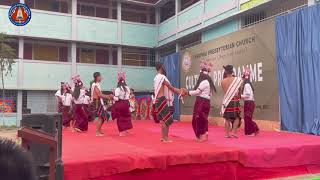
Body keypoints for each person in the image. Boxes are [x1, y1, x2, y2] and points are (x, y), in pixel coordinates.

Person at [182, 60, 216, 142]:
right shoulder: (208, 82)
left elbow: (197, 92)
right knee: (202, 118)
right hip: (205, 101)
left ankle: (202, 136)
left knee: (198, 119)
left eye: (200, 74)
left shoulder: (204, 82)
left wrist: (187, 92)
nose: (199, 76)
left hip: (202, 102)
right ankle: (203, 135)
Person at [153, 62, 181, 142]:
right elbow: (169, 86)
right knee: (167, 120)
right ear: (161, 67)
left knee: (163, 120)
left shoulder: (155, 78)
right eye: (164, 66)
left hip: (157, 100)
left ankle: (163, 137)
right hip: (162, 99)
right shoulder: (162, 77)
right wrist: (178, 91)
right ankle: (166, 138)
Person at [221, 65, 243, 138]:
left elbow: (225, 92)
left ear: (226, 72)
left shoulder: (223, 81)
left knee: (227, 118)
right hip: (234, 100)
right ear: (232, 71)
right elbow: (238, 92)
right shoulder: (237, 80)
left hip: (227, 101)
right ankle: (234, 132)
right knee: (237, 117)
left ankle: (227, 134)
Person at [91, 72, 113, 136]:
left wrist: (108, 97)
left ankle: (99, 130)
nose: (101, 77)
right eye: (100, 76)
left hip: (99, 101)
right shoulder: (94, 84)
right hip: (97, 102)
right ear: (97, 77)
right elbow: (99, 94)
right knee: (101, 117)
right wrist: (108, 96)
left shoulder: (97, 84)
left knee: (104, 116)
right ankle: (97, 132)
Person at [113, 72, 133, 136]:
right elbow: (128, 96)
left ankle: (121, 132)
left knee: (120, 117)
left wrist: (112, 96)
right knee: (126, 116)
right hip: (126, 103)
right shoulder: (127, 88)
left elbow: (116, 98)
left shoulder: (118, 89)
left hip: (120, 103)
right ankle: (126, 129)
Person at [241, 68, 259, 136]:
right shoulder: (247, 84)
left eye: (243, 78)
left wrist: (241, 96)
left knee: (247, 117)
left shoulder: (246, 85)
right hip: (249, 102)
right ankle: (249, 132)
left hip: (249, 102)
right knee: (247, 118)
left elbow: (248, 95)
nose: (242, 80)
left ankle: (254, 129)